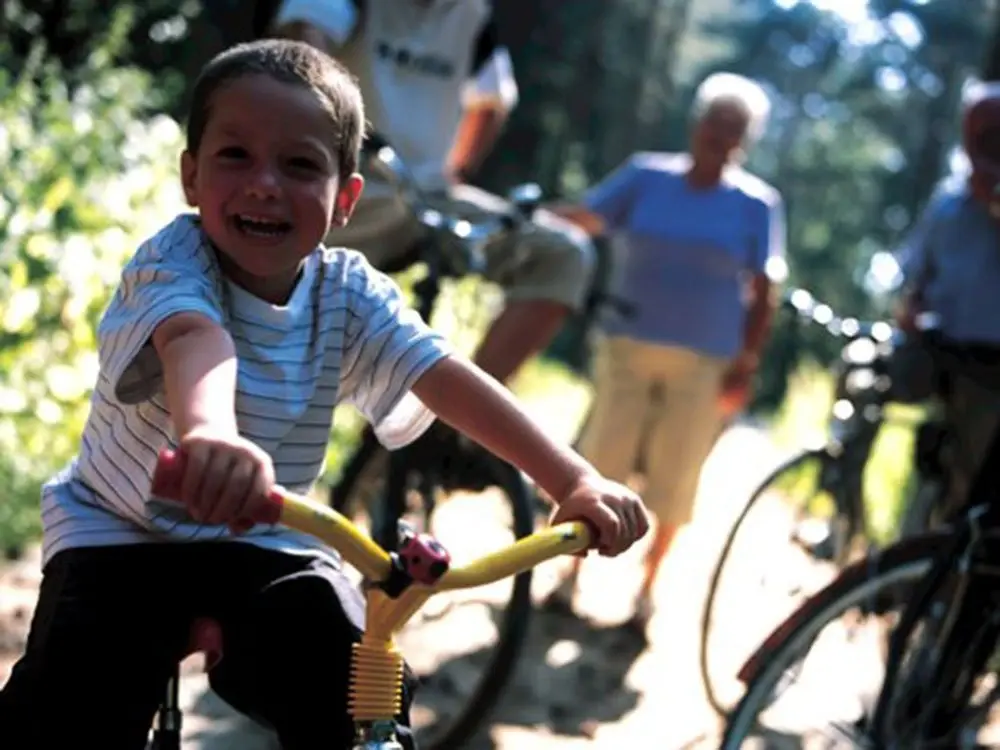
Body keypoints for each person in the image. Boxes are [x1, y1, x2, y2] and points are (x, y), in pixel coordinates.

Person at [0, 39, 648, 748]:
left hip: (265, 542)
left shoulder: (350, 293)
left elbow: (442, 373)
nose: (264, 184)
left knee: (357, 685)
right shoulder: (173, 262)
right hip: (122, 535)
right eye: (234, 156)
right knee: (67, 708)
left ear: (345, 200)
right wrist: (210, 434)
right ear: (191, 176)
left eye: (300, 165)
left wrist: (572, 479)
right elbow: (193, 339)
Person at [544, 72, 786, 636]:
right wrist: (529, 217)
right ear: (696, 122)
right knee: (599, 460)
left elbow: (764, 290)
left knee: (677, 478)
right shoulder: (645, 177)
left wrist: (746, 364)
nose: (719, 135)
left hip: (706, 361)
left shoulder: (757, 204)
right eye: (714, 121)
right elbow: (587, 218)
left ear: (745, 140)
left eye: (733, 128)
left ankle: (646, 591)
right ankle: (569, 577)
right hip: (626, 343)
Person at [265, 0, 595, 386]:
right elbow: (303, 44)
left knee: (564, 253)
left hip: (428, 194)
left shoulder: (471, 15)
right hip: (351, 186)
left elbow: (493, 101)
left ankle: (454, 417)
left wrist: (457, 171)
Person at [894, 80, 1000, 521]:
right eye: (978, 131)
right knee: (862, 377)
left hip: (990, 366)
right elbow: (915, 274)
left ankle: (943, 544)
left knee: (968, 476)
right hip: (934, 348)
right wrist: (911, 308)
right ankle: (841, 494)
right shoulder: (947, 201)